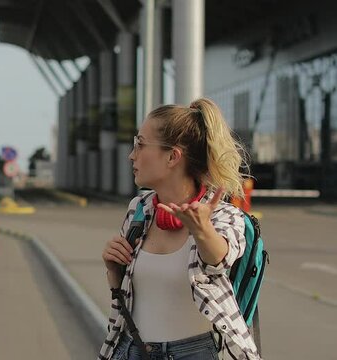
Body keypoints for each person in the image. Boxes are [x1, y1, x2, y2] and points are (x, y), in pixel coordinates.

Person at [98, 98, 261, 360]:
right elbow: (125, 298)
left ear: (173, 156)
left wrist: (202, 230)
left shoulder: (224, 216)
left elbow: (219, 259)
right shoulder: (139, 210)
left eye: (140, 144)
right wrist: (113, 269)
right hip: (132, 349)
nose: (132, 155)